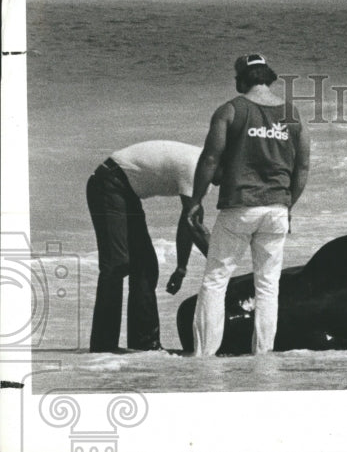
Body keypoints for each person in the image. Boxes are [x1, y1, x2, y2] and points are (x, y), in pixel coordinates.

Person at [186, 54, 310, 356]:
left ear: (244, 78)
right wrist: (287, 205)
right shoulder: (293, 115)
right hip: (277, 209)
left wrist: (196, 200)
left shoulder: (230, 110)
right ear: (267, 76)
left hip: (239, 207)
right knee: (268, 287)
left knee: (216, 281)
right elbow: (303, 168)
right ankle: (263, 355)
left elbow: (210, 158)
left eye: (236, 77)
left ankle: (204, 356)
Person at [86, 140, 210, 352]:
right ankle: (103, 346)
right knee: (117, 264)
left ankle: (144, 345)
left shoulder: (204, 172)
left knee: (145, 266)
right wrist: (221, 262)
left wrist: (181, 268)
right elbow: (194, 225)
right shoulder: (195, 167)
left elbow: (187, 224)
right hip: (107, 183)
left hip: (126, 193)